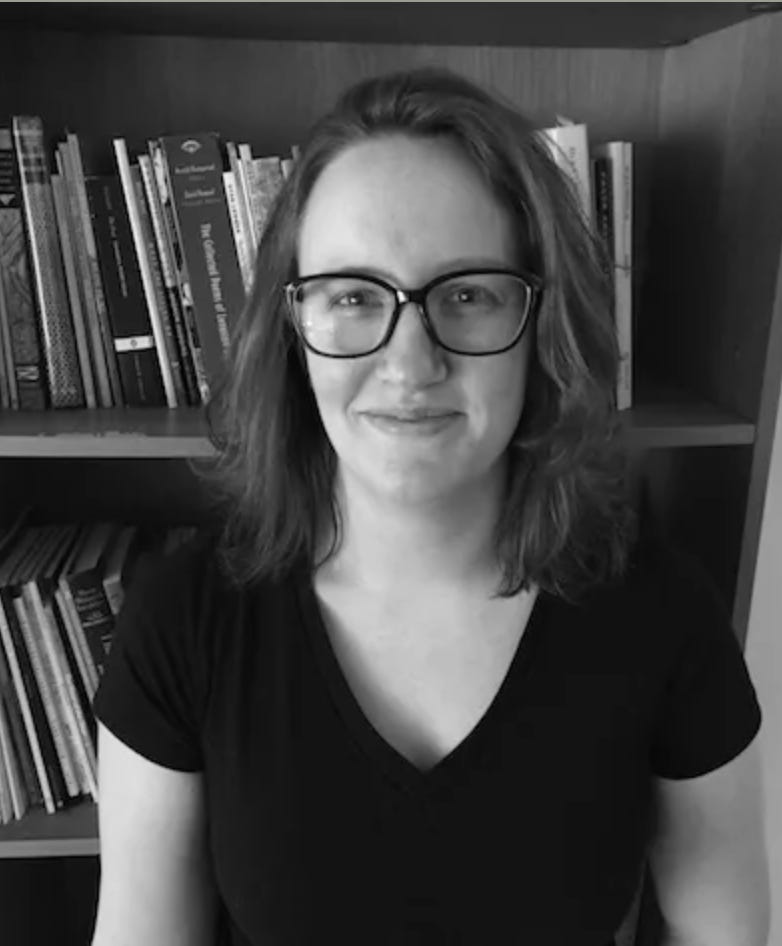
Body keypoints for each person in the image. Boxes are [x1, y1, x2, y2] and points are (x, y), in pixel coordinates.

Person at [89, 69, 769, 946]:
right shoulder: (183, 621)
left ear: (542, 326)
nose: (410, 365)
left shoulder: (666, 618)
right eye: (352, 296)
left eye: (468, 294)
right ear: (292, 332)